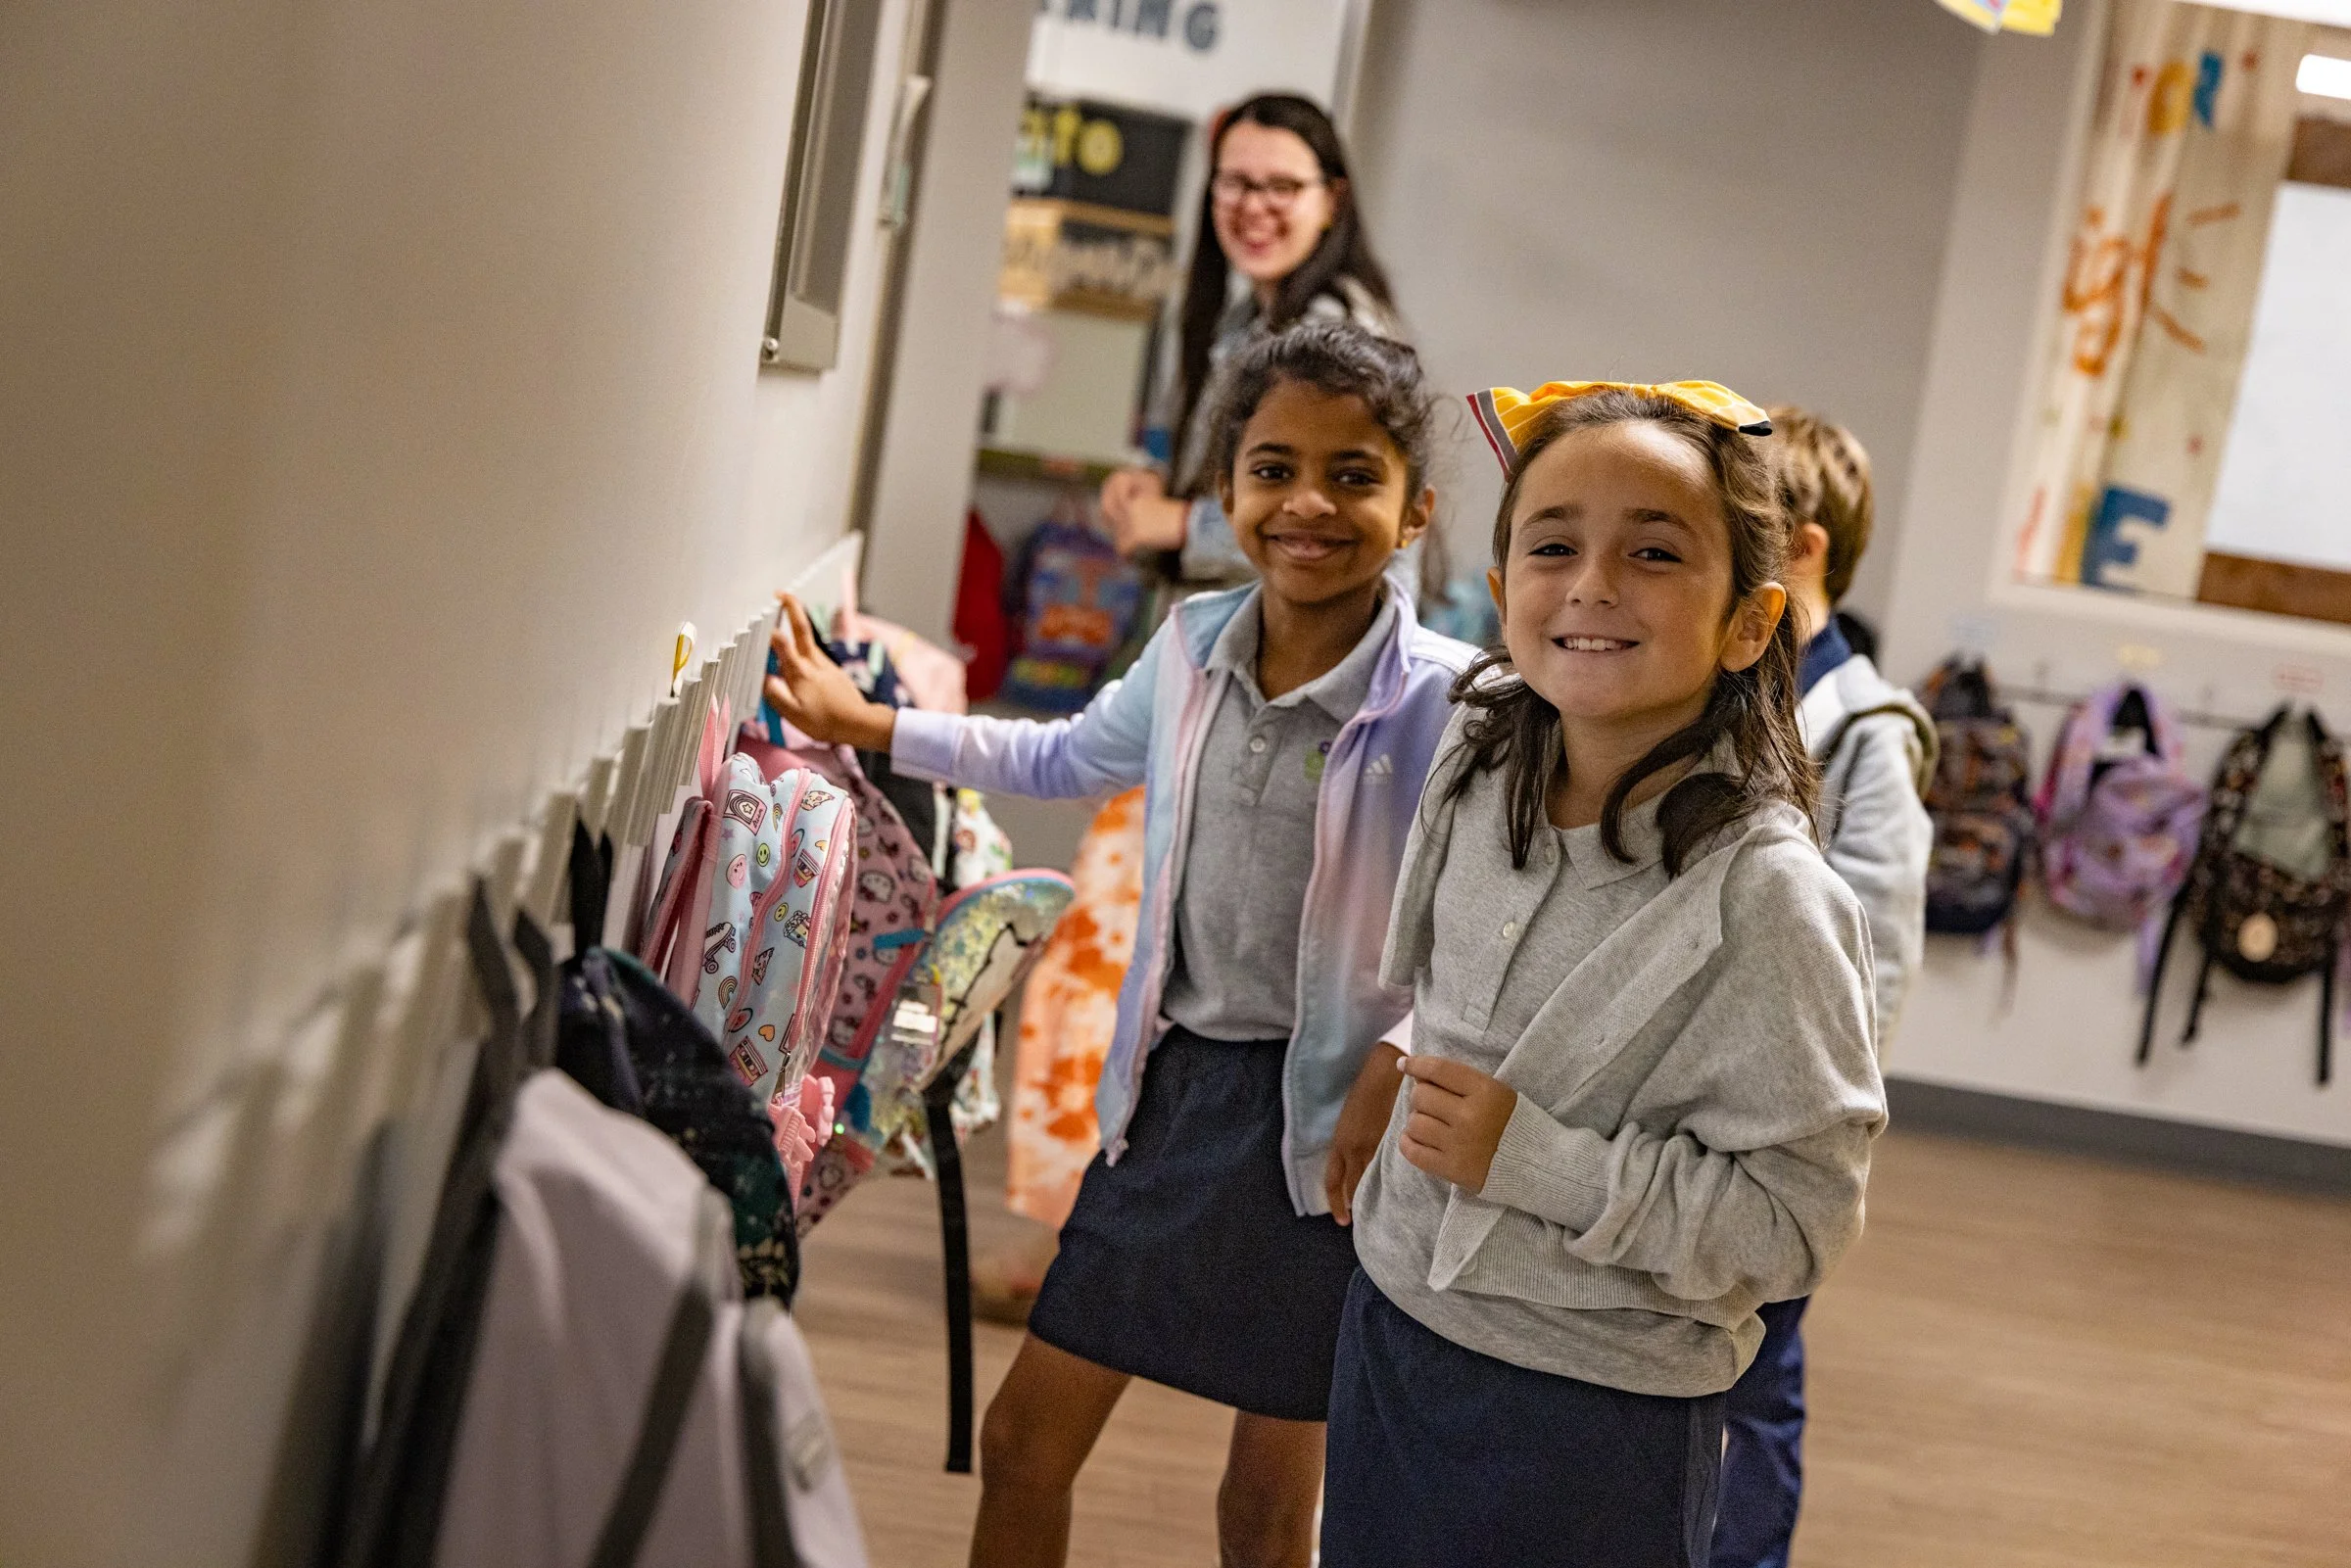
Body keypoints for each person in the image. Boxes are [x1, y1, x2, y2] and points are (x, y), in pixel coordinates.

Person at [766, 321, 1473, 1568]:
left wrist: (1405, 1049)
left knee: (1267, 1510)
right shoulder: (1196, 642)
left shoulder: (1446, 698)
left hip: (1332, 1139)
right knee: (1027, 1438)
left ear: (1415, 508)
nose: (1308, 502)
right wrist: (868, 722)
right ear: (1225, 493)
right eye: (1272, 467)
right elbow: (1061, 754)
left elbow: (1492, 914)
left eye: (1354, 474)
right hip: (1178, 1098)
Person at [1323, 382, 1888, 1568]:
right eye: (1553, 544)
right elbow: (1471, 995)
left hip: (1597, 1407)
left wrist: (1537, 1160)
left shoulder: (1769, 897)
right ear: (1501, 583)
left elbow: (1798, 1222)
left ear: (1750, 621)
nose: (1591, 582)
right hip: (1396, 1326)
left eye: (1653, 550)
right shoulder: (1480, 763)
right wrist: (1397, 1050)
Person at [1710, 406, 1933, 1568]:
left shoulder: (1868, 733)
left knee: (1757, 1383)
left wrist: (1813, 1129)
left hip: (1785, 1124)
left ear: (1800, 545)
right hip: (1702, 1109)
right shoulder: (1738, 689)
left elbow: (1878, 962)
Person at [1097, 93, 1403, 582]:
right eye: (1236, 182)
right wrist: (1155, 480)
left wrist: (1180, 523)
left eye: (1283, 187)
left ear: (1331, 201)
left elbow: (1332, 516)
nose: (1254, 206)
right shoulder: (1241, 318)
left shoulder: (1338, 335)